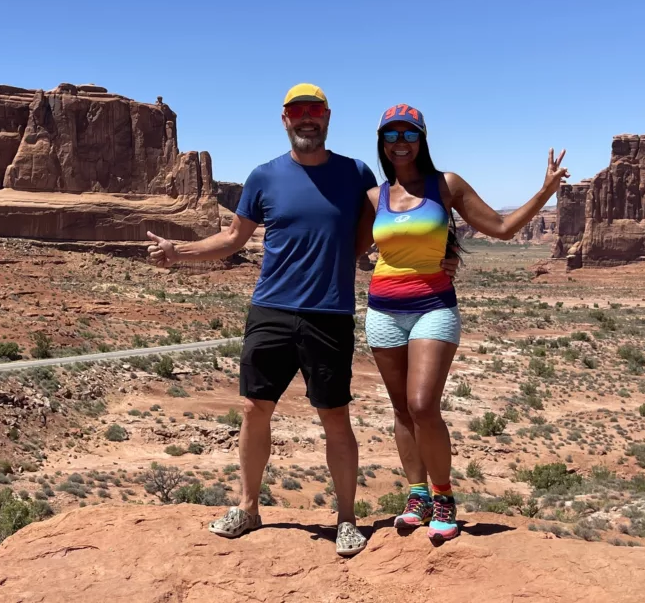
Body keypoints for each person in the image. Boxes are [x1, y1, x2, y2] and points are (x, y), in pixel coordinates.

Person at [145, 84, 455, 558]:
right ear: (285, 118)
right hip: (270, 307)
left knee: (334, 416)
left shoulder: (356, 174)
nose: (306, 119)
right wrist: (178, 252)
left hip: (329, 313)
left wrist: (445, 260)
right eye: (297, 112)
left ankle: (347, 520)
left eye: (314, 111)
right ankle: (247, 508)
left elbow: (400, 223)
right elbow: (232, 239)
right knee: (254, 408)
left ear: (327, 117)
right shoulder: (264, 176)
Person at [361, 102, 567, 543]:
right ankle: (416, 496)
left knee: (422, 405)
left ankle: (443, 496)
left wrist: (545, 191)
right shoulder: (374, 197)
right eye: (392, 135)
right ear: (382, 142)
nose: (401, 143)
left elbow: (503, 227)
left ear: (422, 139)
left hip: (433, 306)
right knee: (400, 409)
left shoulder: (446, 185)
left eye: (409, 134)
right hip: (381, 311)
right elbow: (352, 248)